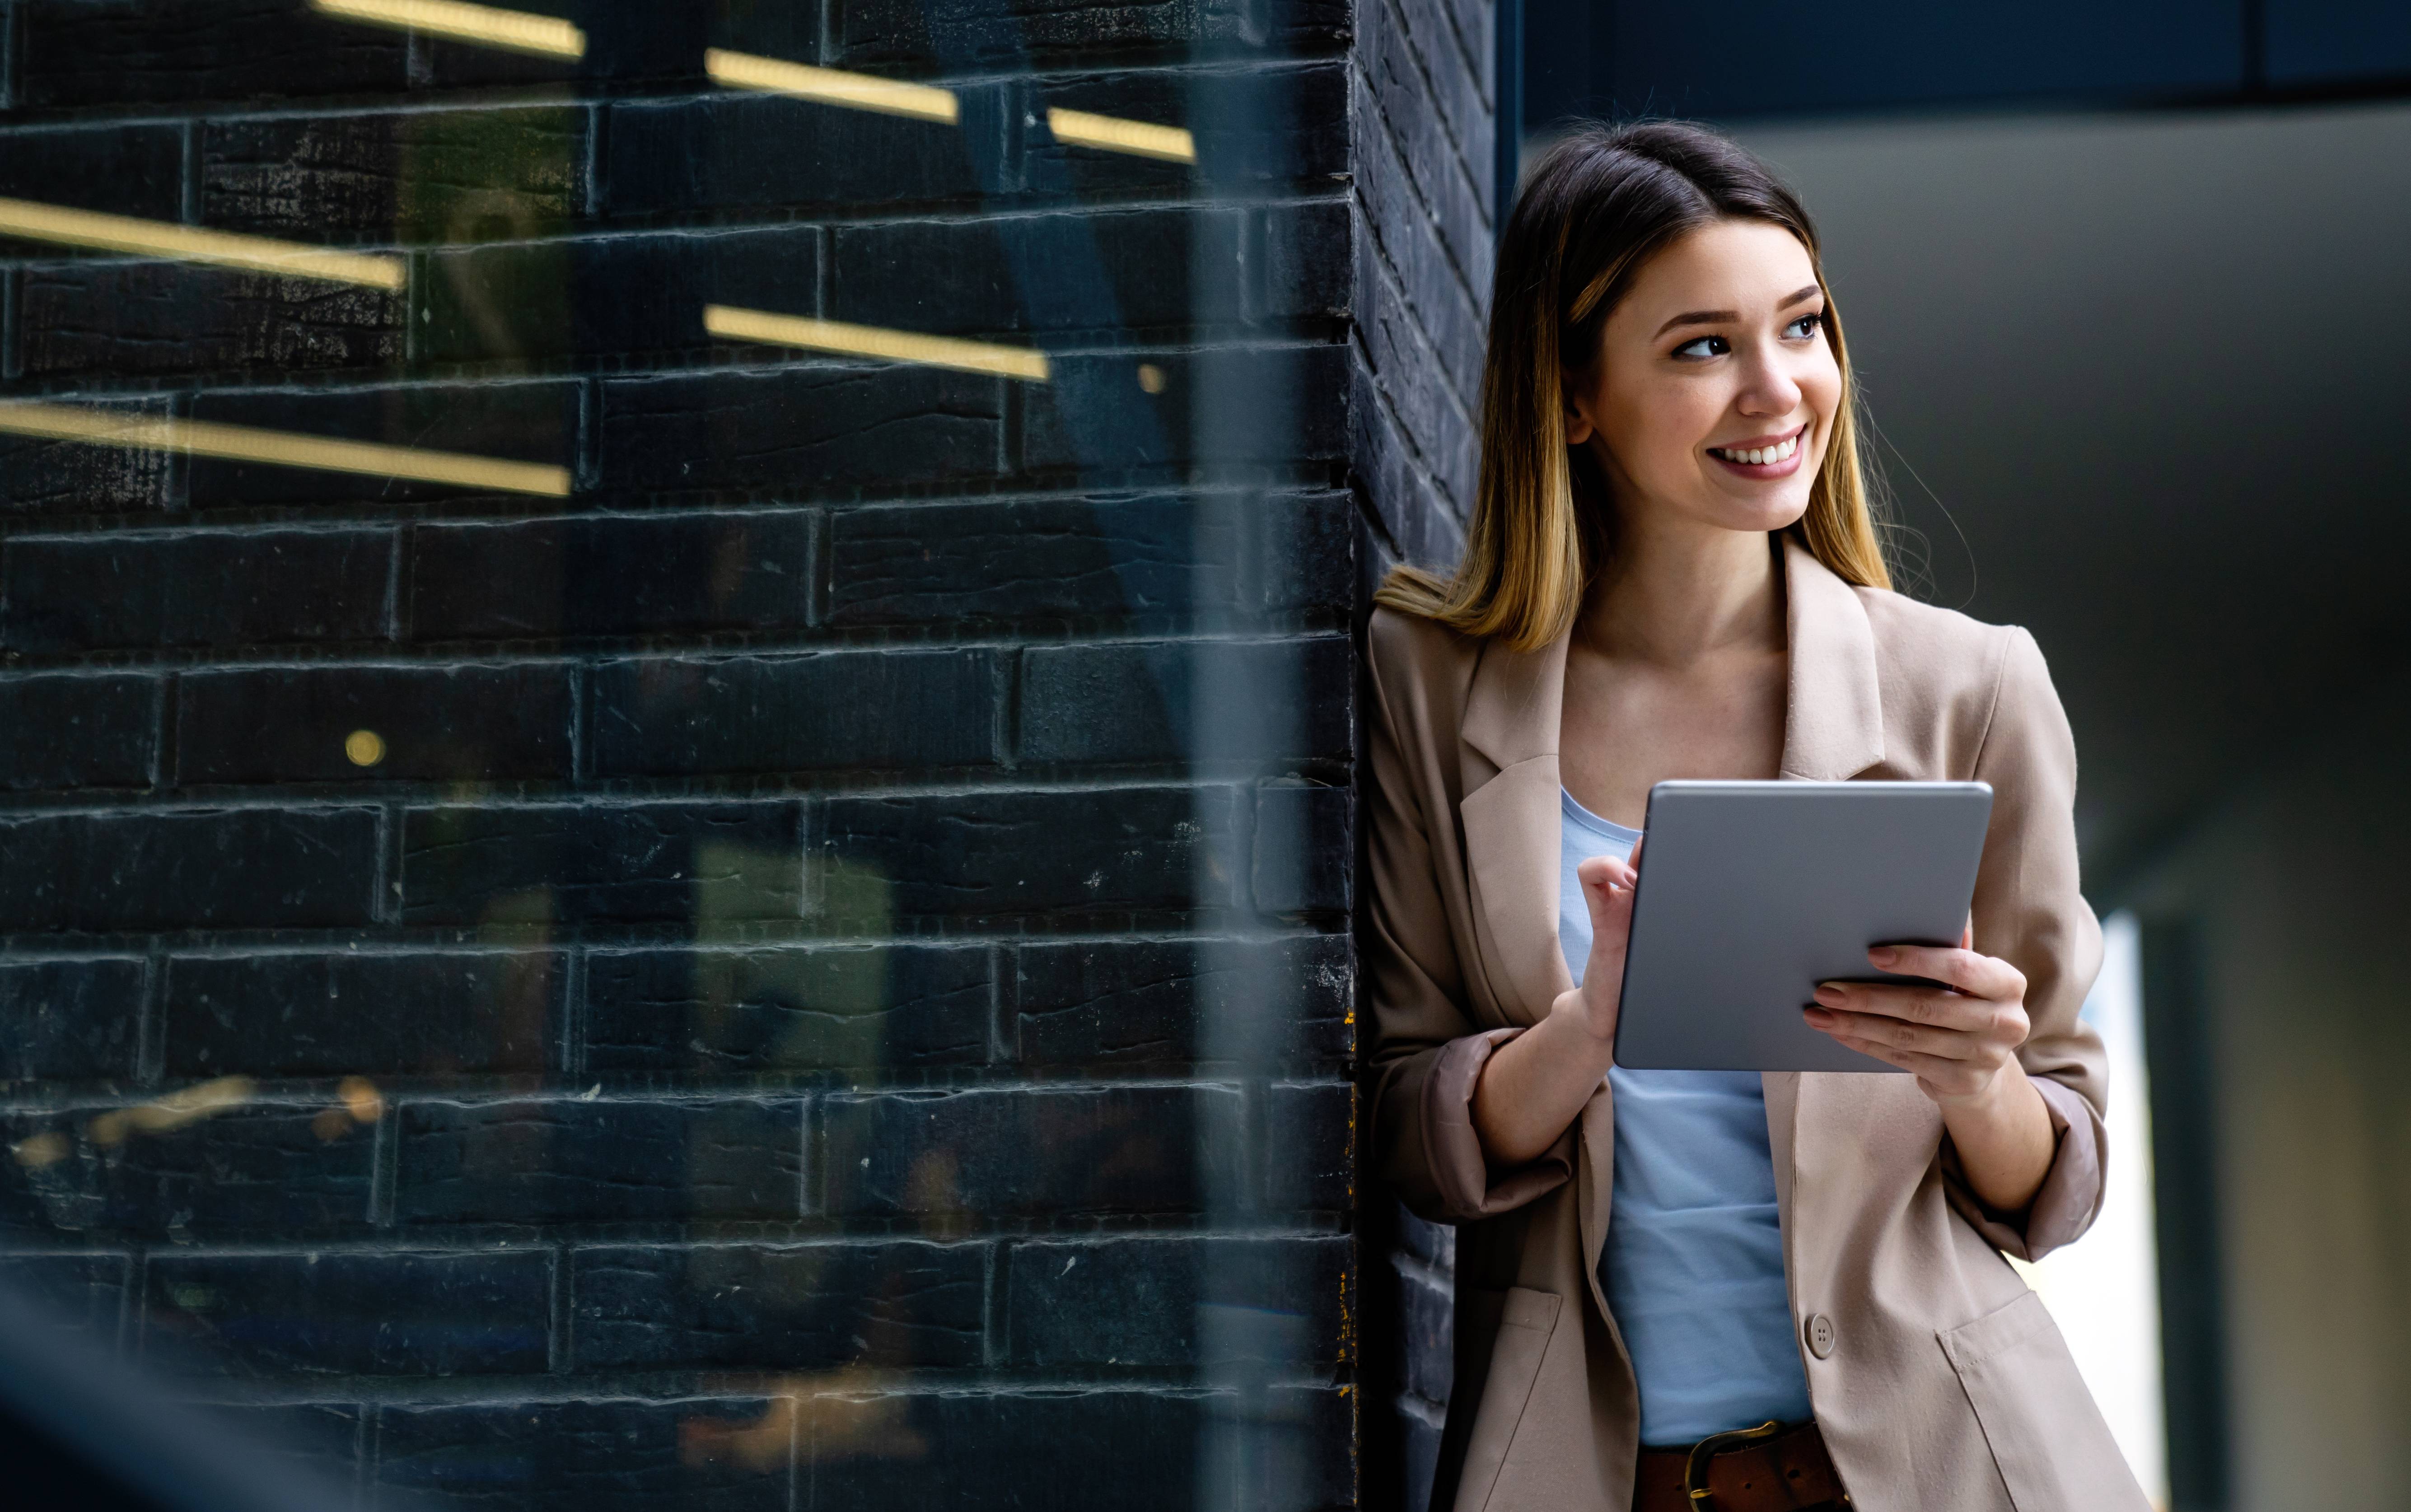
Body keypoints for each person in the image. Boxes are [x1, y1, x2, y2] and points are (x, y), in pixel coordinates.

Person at [1364, 121, 2146, 1512]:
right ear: (1572, 393)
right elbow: (1408, 1124)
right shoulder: (1432, 687)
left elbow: (2059, 1165)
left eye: (1801, 325)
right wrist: (1584, 1031)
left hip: (1941, 1463)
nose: (1778, 388)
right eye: (1701, 346)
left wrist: (1976, 1078)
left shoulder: (1969, 685)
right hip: (1599, 1476)